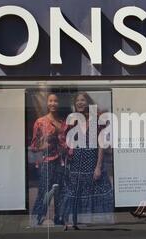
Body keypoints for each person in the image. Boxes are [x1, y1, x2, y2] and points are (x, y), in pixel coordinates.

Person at [61, 91, 114, 230]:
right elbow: (64, 140)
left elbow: (101, 144)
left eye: (82, 100)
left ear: (88, 102)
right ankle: (71, 221)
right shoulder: (72, 120)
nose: (80, 102)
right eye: (77, 100)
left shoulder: (96, 119)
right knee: (74, 192)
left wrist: (98, 166)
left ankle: (91, 222)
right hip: (75, 162)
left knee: (94, 190)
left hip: (92, 160)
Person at [30, 92, 67, 226]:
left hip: (61, 162)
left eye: (56, 101)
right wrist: (44, 145)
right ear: (47, 103)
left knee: (60, 192)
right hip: (47, 162)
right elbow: (34, 146)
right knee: (44, 191)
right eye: (50, 101)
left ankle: (59, 218)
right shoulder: (40, 122)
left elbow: (66, 144)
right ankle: (38, 218)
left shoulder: (63, 123)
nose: (53, 103)